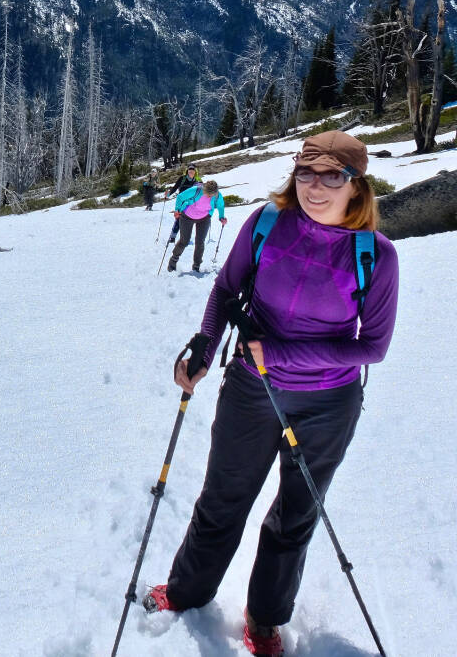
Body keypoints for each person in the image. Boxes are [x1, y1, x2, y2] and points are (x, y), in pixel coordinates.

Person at [143, 131, 399, 656]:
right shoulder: (266, 224)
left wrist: (283, 355)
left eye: (333, 176)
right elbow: (226, 289)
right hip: (250, 392)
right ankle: (188, 589)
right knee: (223, 498)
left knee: (296, 513)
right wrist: (204, 349)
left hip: (328, 405)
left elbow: (372, 346)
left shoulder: (377, 256)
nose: (316, 186)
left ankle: (264, 619)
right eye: (307, 172)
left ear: (356, 185)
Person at [168, 179, 226, 273]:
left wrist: (221, 217)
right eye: (208, 194)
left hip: (204, 218)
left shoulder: (217, 195)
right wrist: (177, 210)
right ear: (205, 189)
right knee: (184, 240)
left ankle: (196, 266)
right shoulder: (196, 190)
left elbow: (220, 205)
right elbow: (180, 197)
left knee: (200, 242)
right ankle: (173, 261)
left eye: (212, 195)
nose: (210, 196)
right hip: (187, 216)